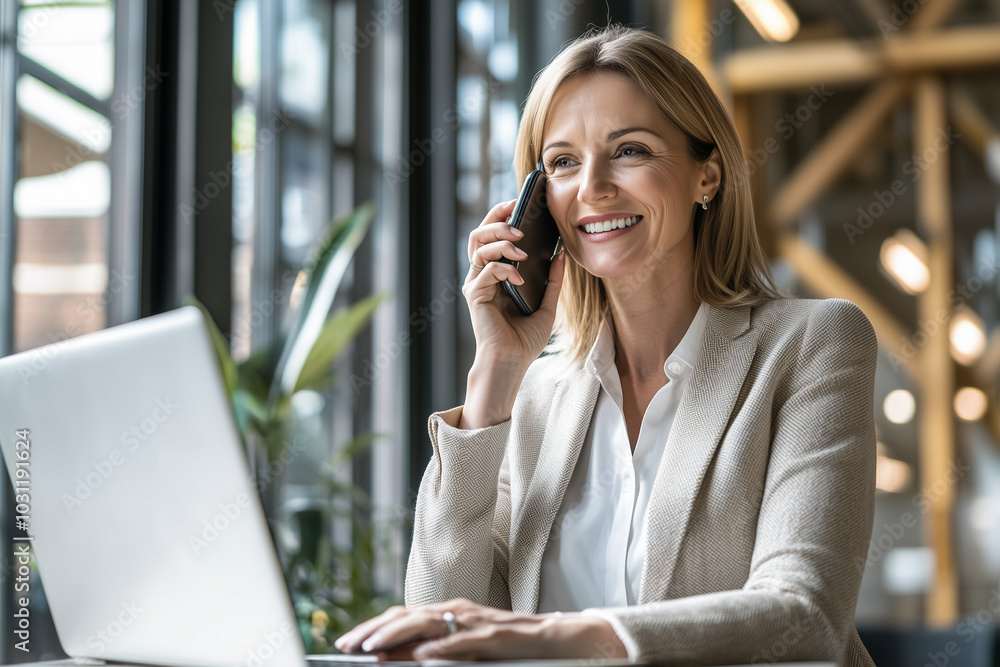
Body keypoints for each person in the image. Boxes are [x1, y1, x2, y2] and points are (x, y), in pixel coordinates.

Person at [336, 24, 877, 666]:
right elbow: (438, 617)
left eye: (630, 151)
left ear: (707, 175)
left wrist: (554, 635)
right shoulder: (536, 399)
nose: (591, 186)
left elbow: (803, 617)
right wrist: (495, 375)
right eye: (562, 162)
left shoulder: (813, 345)